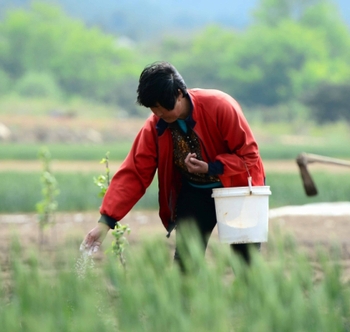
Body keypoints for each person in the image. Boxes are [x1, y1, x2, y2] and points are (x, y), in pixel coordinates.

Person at [82, 61, 265, 268]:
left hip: (238, 190)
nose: (158, 115)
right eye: (153, 110)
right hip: (196, 192)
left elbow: (249, 156)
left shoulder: (220, 106)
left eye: (161, 108)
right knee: (185, 265)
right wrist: (105, 223)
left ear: (179, 94)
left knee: (246, 263)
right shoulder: (155, 127)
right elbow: (134, 173)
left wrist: (211, 167)